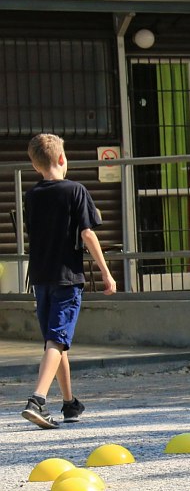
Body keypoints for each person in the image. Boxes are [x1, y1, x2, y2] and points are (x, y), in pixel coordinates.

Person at [20, 133, 117, 429]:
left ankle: (69, 403)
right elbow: (88, 234)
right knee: (57, 339)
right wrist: (106, 271)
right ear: (62, 159)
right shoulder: (76, 190)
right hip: (66, 277)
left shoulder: (33, 194)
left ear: (36, 166)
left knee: (55, 340)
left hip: (40, 277)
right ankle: (36, 400)